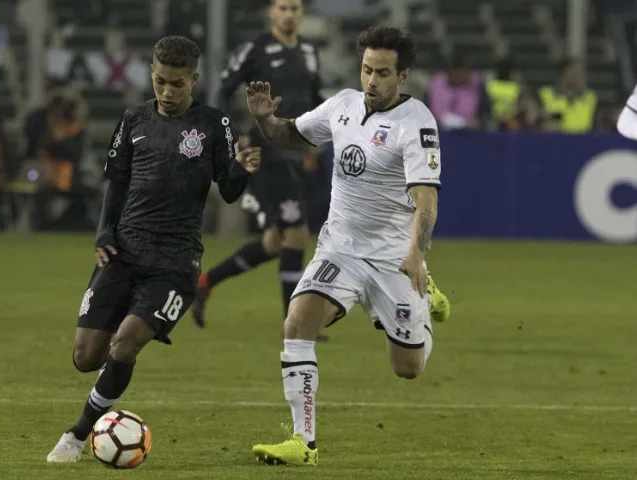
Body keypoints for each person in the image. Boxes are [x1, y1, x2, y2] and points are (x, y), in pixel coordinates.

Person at [46, 35, 261, 463]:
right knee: (86, 357)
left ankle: (77, 434)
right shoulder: (133, 119)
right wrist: (105, 233)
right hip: (124, 251)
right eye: (160, 81)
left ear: (194, 80)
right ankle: (102, 404)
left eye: (177, 84)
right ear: (151, 74)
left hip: (174, 262)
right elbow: (118, 181)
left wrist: (242, 168)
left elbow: (231, 191)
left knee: (125, 345)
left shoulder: (213, 125)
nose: (166, 92)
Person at [245, 25, 450, 466]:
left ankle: (425, 293)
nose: (371, 81)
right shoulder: (342, 105)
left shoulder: (417, 124)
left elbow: (426, 201)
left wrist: (416, 254)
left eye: (381, 73)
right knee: (297, 323)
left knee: (407, 369)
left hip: (395, 258)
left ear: (403, 76)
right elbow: (290, 136)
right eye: (366, 70)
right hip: (339, 249)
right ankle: (304, 443)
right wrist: (265, 119)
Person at [192, 0, 325, 337]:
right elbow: (223, 87)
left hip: (296, 151)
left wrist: (316, 141)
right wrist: (233, 135)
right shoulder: (256, 48)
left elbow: (315, 98)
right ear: (271, 12)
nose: (290, 13)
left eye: (295, 7)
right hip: (267, 154)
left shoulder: (310, 52)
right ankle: (293, 325)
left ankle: (206, 282)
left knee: (274, 243)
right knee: (295, 235)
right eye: (283, 7)